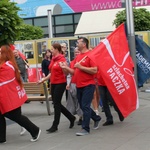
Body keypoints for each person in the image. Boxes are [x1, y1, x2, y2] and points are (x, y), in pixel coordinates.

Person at [60, 37, 101, 136]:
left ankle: (85, 128)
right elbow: (74, 72)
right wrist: (66, 68)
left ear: (84, 44)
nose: (76, 44)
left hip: (88, 85)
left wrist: (81, 67)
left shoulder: (90, 56)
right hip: (79, 85)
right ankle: (96, 118)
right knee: (83, 106)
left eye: (78, 42)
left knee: (85, 106)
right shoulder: (79, 57)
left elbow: (95, 70)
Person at [0, 45, 41, 143]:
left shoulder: (7, 66)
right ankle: (1, 138)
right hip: (9, 95)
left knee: (15, 116)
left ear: (4, 54)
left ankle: (35, 130)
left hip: (10, 96)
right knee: (4, 115)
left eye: (0, 52)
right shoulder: (8, 64)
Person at [38, 43, 76, 133]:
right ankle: (71, 117)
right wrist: (43, 79)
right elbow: (51, 72)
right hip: (53, 83)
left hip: (60, 83)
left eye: (52, 49)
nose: (51, 51)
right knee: (56, 103)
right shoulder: (53, 59)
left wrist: (63, 67)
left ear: (57, 50)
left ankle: (55, 125)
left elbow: (66, 73)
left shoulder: (62, 59)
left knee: (56, 104)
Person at [66, 47, 83, 125]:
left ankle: (81, 116)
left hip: (81, 83)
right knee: (75, 100)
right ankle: (79, 114)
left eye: (78, 52)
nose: (76, 54)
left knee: (81, 101)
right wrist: (68, 84)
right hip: (73, 83)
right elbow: (69, 74)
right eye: (75, 52)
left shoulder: (83, 61)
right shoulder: (72, 62)